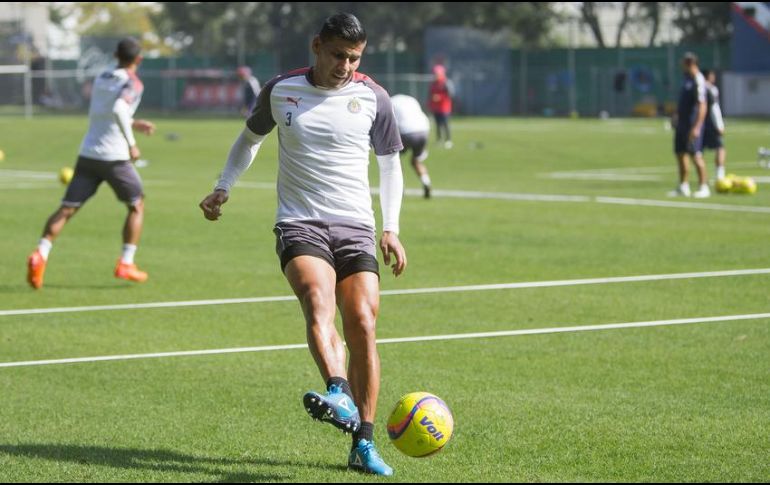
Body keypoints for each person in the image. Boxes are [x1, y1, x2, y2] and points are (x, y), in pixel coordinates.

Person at [198, 13, 405, 476]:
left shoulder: (374, 97)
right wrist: (223, 186)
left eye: (354, 58)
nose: (345, 66)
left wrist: (390, 228)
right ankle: (338, 391)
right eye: (337, 55)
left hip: (356, 225)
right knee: (317, 298)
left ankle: (363, 443)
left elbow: (390, 165)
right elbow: (249, 140)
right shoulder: (281, 90)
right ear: (316, 46)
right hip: (299, 222)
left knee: (363, 323)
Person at [26, 38, 155, 290]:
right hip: (115, 157)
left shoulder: (103, 76)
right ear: (138, 59)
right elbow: (118, 109)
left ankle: (40, 253)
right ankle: (126, 262)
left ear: (116, 55)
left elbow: (106, 112)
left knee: (66, 209)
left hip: (88, 154)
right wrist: (132, 143)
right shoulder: (133, 82)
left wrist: (134, 123)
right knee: (137, 205)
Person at [670, 52, 709, 198]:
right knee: (681, 153)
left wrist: (697, 127)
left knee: (696, 155)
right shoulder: (686, 78)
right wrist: (676, 115)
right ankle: (683, 186)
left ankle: (703, 187)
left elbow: (702, 105)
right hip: (682, 124)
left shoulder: (698, 79)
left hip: (692, 124)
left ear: (690, 63)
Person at [391, 93, 433, 198]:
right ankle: (426, 182)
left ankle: (400, 187)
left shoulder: (391, 102)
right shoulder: (411, 100)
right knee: (416, 161)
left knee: (396, 161)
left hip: (406, 132)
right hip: (423, 130)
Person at [701, 69, 727, 181]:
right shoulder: (711, 89)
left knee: (698, 151)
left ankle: (703, 178)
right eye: (712, 75)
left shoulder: (698, 87)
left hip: (700, 123)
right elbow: (714, 108)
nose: (714, 77)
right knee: (720, 148)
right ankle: (719, 175)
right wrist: (719, 125)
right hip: (711, 123)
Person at [428, 64, 454, 149]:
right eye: (434, 73)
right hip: (436, 108)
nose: (435, 75)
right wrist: (430, 104)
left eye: (437, 73)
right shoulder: (433, 84)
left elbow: (450, 95)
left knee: (446, 124)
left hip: (444, 108)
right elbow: (430, 95)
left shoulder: (446, 83)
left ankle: (448, 140)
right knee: (438, 125)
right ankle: (439, 140)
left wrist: (440, 97)